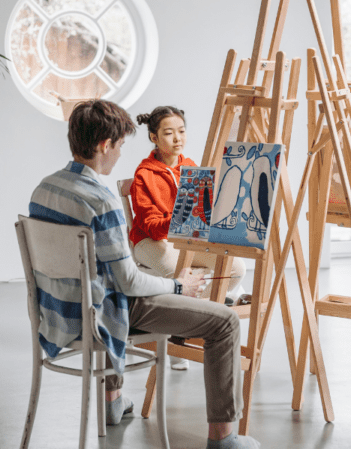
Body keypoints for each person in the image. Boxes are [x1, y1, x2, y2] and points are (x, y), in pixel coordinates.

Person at [29, 99, 259, 449]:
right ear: (105, 145)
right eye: (120, 145)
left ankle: (112, 401)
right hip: (102, 313)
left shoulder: (43, 189)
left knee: (103, 285)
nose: (121, 154)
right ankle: (224, 439)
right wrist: (179, 285)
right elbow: (130, 283)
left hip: (60, 313)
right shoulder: (101, 201)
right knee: (225, 322)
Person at [129, 106, 247, 306]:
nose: (177, 138)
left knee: (235, 268)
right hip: (149, 241)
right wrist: (180, 220)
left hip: (185, 238)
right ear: (153, 138)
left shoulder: (191, 167)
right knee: (179, 275)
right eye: (168, 133)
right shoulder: (144, 175)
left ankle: (203, 307)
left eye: (181, 131)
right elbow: (152, 228)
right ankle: (199, 309)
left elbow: (201, 216)